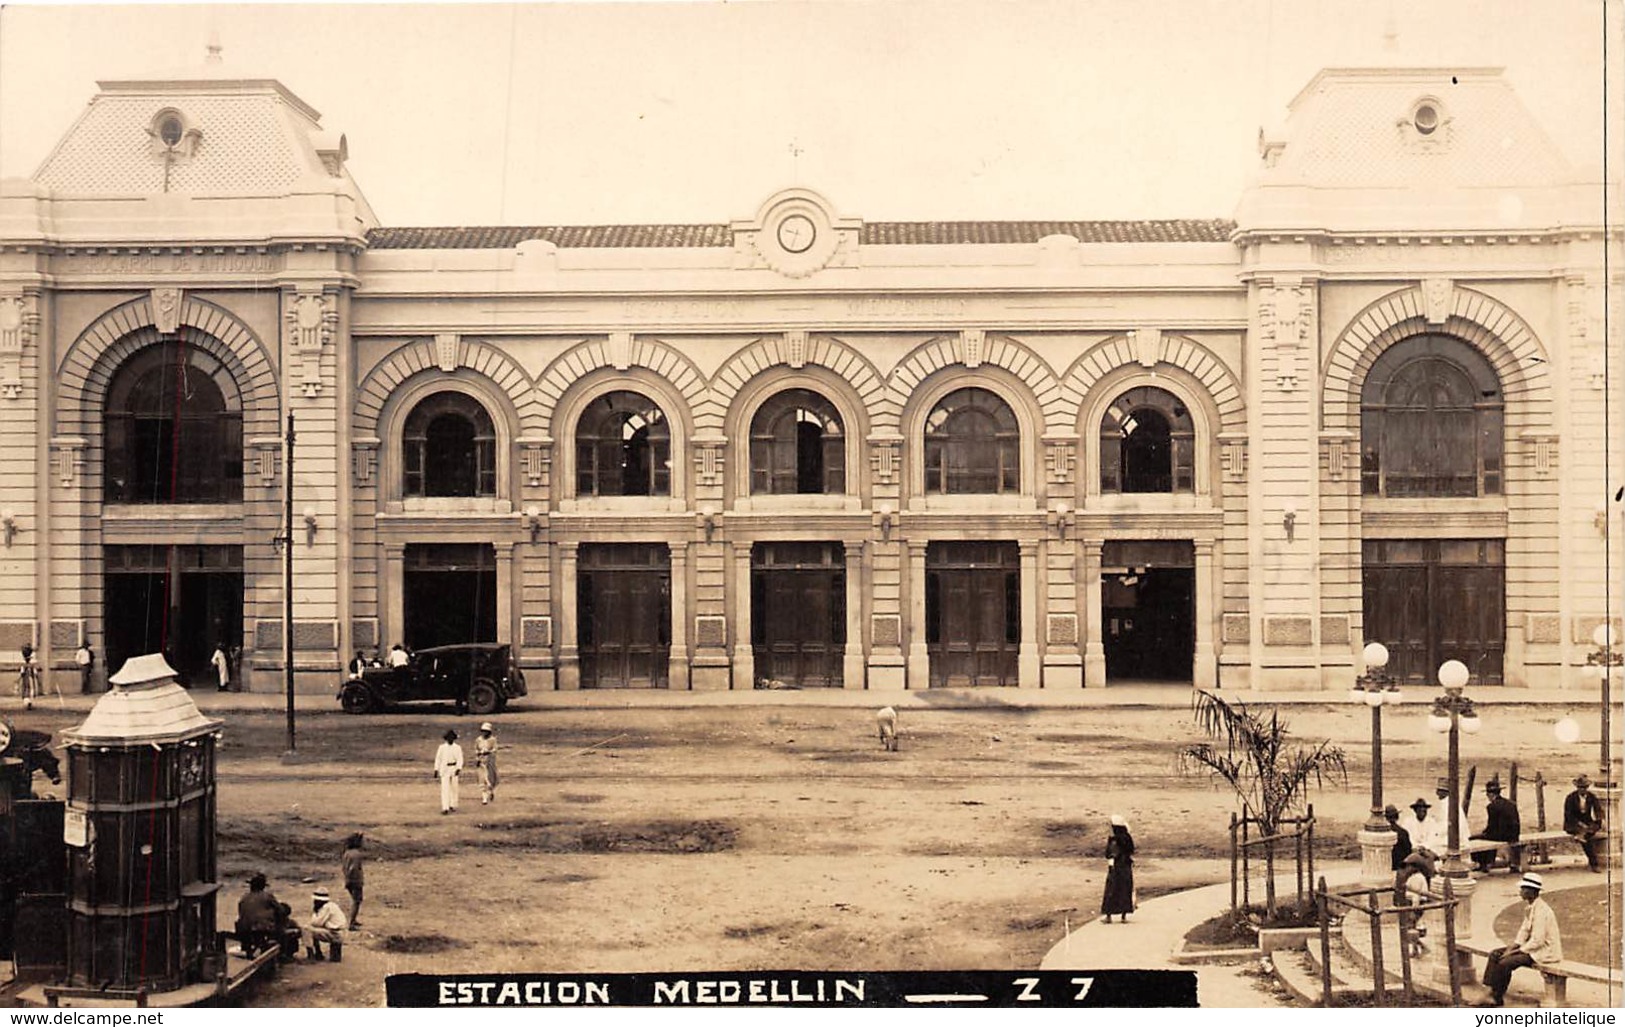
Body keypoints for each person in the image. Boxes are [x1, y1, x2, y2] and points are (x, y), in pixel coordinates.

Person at [1478, 872, 1563, 1007]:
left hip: (1543, 952)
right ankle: (1489, 992)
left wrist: (1513, 953)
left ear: (1531, 891)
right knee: (1495, 954)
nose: (1521, 891)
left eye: (1523, 889)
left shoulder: (1542, 911)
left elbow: (1538, 941)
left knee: (1505, 963)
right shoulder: (1530, 907)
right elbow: (1523, 931)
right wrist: (1512, 947)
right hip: (1531, 948)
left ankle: (1497, 996)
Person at [1472, 775, 1522, 872]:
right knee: (1486, 836)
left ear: (1490, 795)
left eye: (1487, 794)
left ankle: (1483, 863)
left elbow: (1491, 826)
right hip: (1514, 835)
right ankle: (1489, 861)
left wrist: (1484, 833)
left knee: (1475, 839)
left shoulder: (1491, 806)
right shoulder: (1510, 803)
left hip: (1502, 835)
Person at [235, 872, 290, 958]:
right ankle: (282, 954)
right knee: (280, 928)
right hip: (262, 928)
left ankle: (253, 949)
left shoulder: (244, 898)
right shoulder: (267, 896)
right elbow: (281, 910)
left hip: (244, 928)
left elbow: (241, 913)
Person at [1563, 774, 1604, 872]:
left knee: (1593, 828)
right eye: (1580, 788)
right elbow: (1568, 815)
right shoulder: (1570, 798)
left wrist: (1599, 819)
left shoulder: (1591, 797)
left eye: (1585, 788)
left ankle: (1582, 835)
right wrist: (1580, 824)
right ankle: (1594, 864)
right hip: (1574, 823)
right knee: (1587, 840)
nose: (1583, 790)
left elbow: (1598, 810)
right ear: (1577, 788)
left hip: (1588, 823)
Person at [1101, 814, 1135, 924]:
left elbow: (1109, 853)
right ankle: (1124, 916)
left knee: (1112, 890)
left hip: (1116, 867)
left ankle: (1108, 916)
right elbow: (1131, 850)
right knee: (1125, 889)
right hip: (1126, 867)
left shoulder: (1114, 839)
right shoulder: (1127, 837)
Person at [304, 888, 348, 961]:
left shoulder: (326, 907)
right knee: (335, 959)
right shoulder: (332, 905)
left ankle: (312, 954)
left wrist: (315, 912)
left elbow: (315, 923)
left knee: (306, 929)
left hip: (335, 934)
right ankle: (319, 954)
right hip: (339, 933)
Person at [434, 729, 463, 814]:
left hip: (453, 767)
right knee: (445, 788)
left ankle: (453, 805)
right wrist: (436, 769)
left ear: (454, 739)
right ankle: (445, 807)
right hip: (444, 768)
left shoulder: (457, 748)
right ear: (446, 739)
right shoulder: (442, 748)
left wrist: (459, 768)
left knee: (454, 787)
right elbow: (438, 759)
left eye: (452, 738)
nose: (450, 739)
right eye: (449, 738)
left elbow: (460, 758)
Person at [341, 833, 365, 929]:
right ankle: (351, 922)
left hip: (348, 879)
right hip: (355, 880)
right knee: (357, 901)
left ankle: (353, 920)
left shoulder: (347, 853)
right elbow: (354, 868)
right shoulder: (357, 854)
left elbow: (344, 868)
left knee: (355, 900)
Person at [475, 722, 499, 805]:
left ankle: (490, 791)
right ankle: (484, 798)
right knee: (482, 779)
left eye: (486, 731)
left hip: (490, 762)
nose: (484, 732)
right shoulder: (478, 740)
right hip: (481, 762)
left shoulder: (492, 740)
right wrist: (478, 756)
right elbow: (476, 749)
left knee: (490, 778)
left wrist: (488, 752)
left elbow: (495, 749)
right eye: (483, 731)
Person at [16, 645, 39, 710]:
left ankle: (28, 701)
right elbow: (34, 673)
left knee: (28, 688)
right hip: (29, 679)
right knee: (28, 688)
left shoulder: (27, 665)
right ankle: (28, 701)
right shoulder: (29, 665)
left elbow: (22, 673)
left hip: (29, 679)